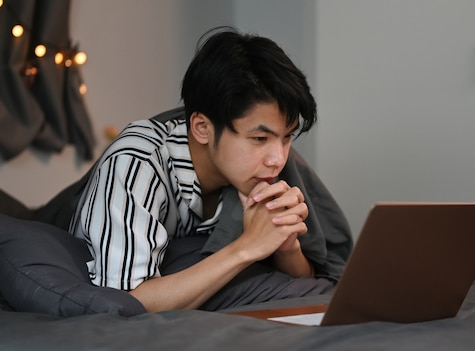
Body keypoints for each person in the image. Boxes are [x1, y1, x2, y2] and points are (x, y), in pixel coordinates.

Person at [69, 27, 352, 313]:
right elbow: (125, 302)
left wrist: (286, 245)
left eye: (287, 136)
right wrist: (246, 248)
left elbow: (306, 284)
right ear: (202, 128)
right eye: (259, 139)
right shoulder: (137, 161)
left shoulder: (263, 167)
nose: (277, 159)